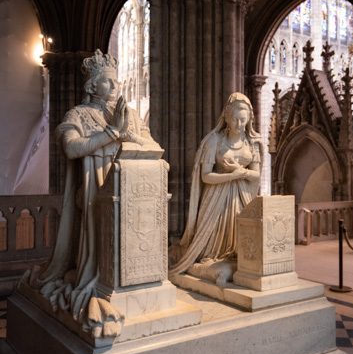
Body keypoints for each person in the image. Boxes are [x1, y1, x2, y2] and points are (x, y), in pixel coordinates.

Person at [27, 49, 161, 333]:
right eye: (108, 81)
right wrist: (112, 133)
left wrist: (130, 134)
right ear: (92, 85)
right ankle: (99, 281)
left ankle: (134, 283)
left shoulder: (130, 114)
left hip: (132, 194)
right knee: (101, 243)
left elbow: (153, 150)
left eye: (116, 81)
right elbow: (72, 148)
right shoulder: (78, 114)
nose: (115, 86)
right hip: (94, 190)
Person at [168, 92, 263, 281]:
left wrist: (240, 173)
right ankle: (203, 260)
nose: (239, 124)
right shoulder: (214, 140)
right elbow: (205, 176)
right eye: (235, 119)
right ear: (226, 117)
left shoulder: (252, 142)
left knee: (240, 238)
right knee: (209, 250)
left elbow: (256, 174)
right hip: (216, 198)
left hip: (242, 196)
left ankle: (235, 259)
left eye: (243, 120)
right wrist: (232, 176)